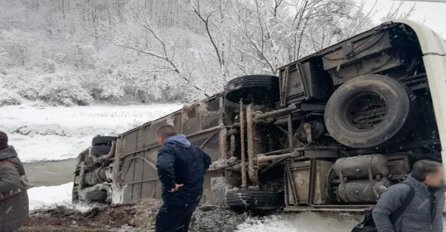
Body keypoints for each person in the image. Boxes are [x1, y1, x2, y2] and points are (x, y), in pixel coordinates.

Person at [155, 125, 211, 232]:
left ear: (160, 137)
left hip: (178, 198)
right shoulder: (194, 149)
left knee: (164, 226)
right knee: (180, 227)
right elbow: (207, 160)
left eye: (157, 138)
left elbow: (163, 166)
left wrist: (170, 185)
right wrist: (195, 177)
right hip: (194, 197)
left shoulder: (168, 148)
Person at [373, 159, 445, 232]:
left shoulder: (438, 192)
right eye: (440, 177)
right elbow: (379, 213)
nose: (443, 179)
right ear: (428, 179)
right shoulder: (400, 190)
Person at [0, 131, 29, 232]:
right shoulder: (6, 156)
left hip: (7, 210)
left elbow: (11, 182)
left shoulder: (5, 163)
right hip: (13, 206)